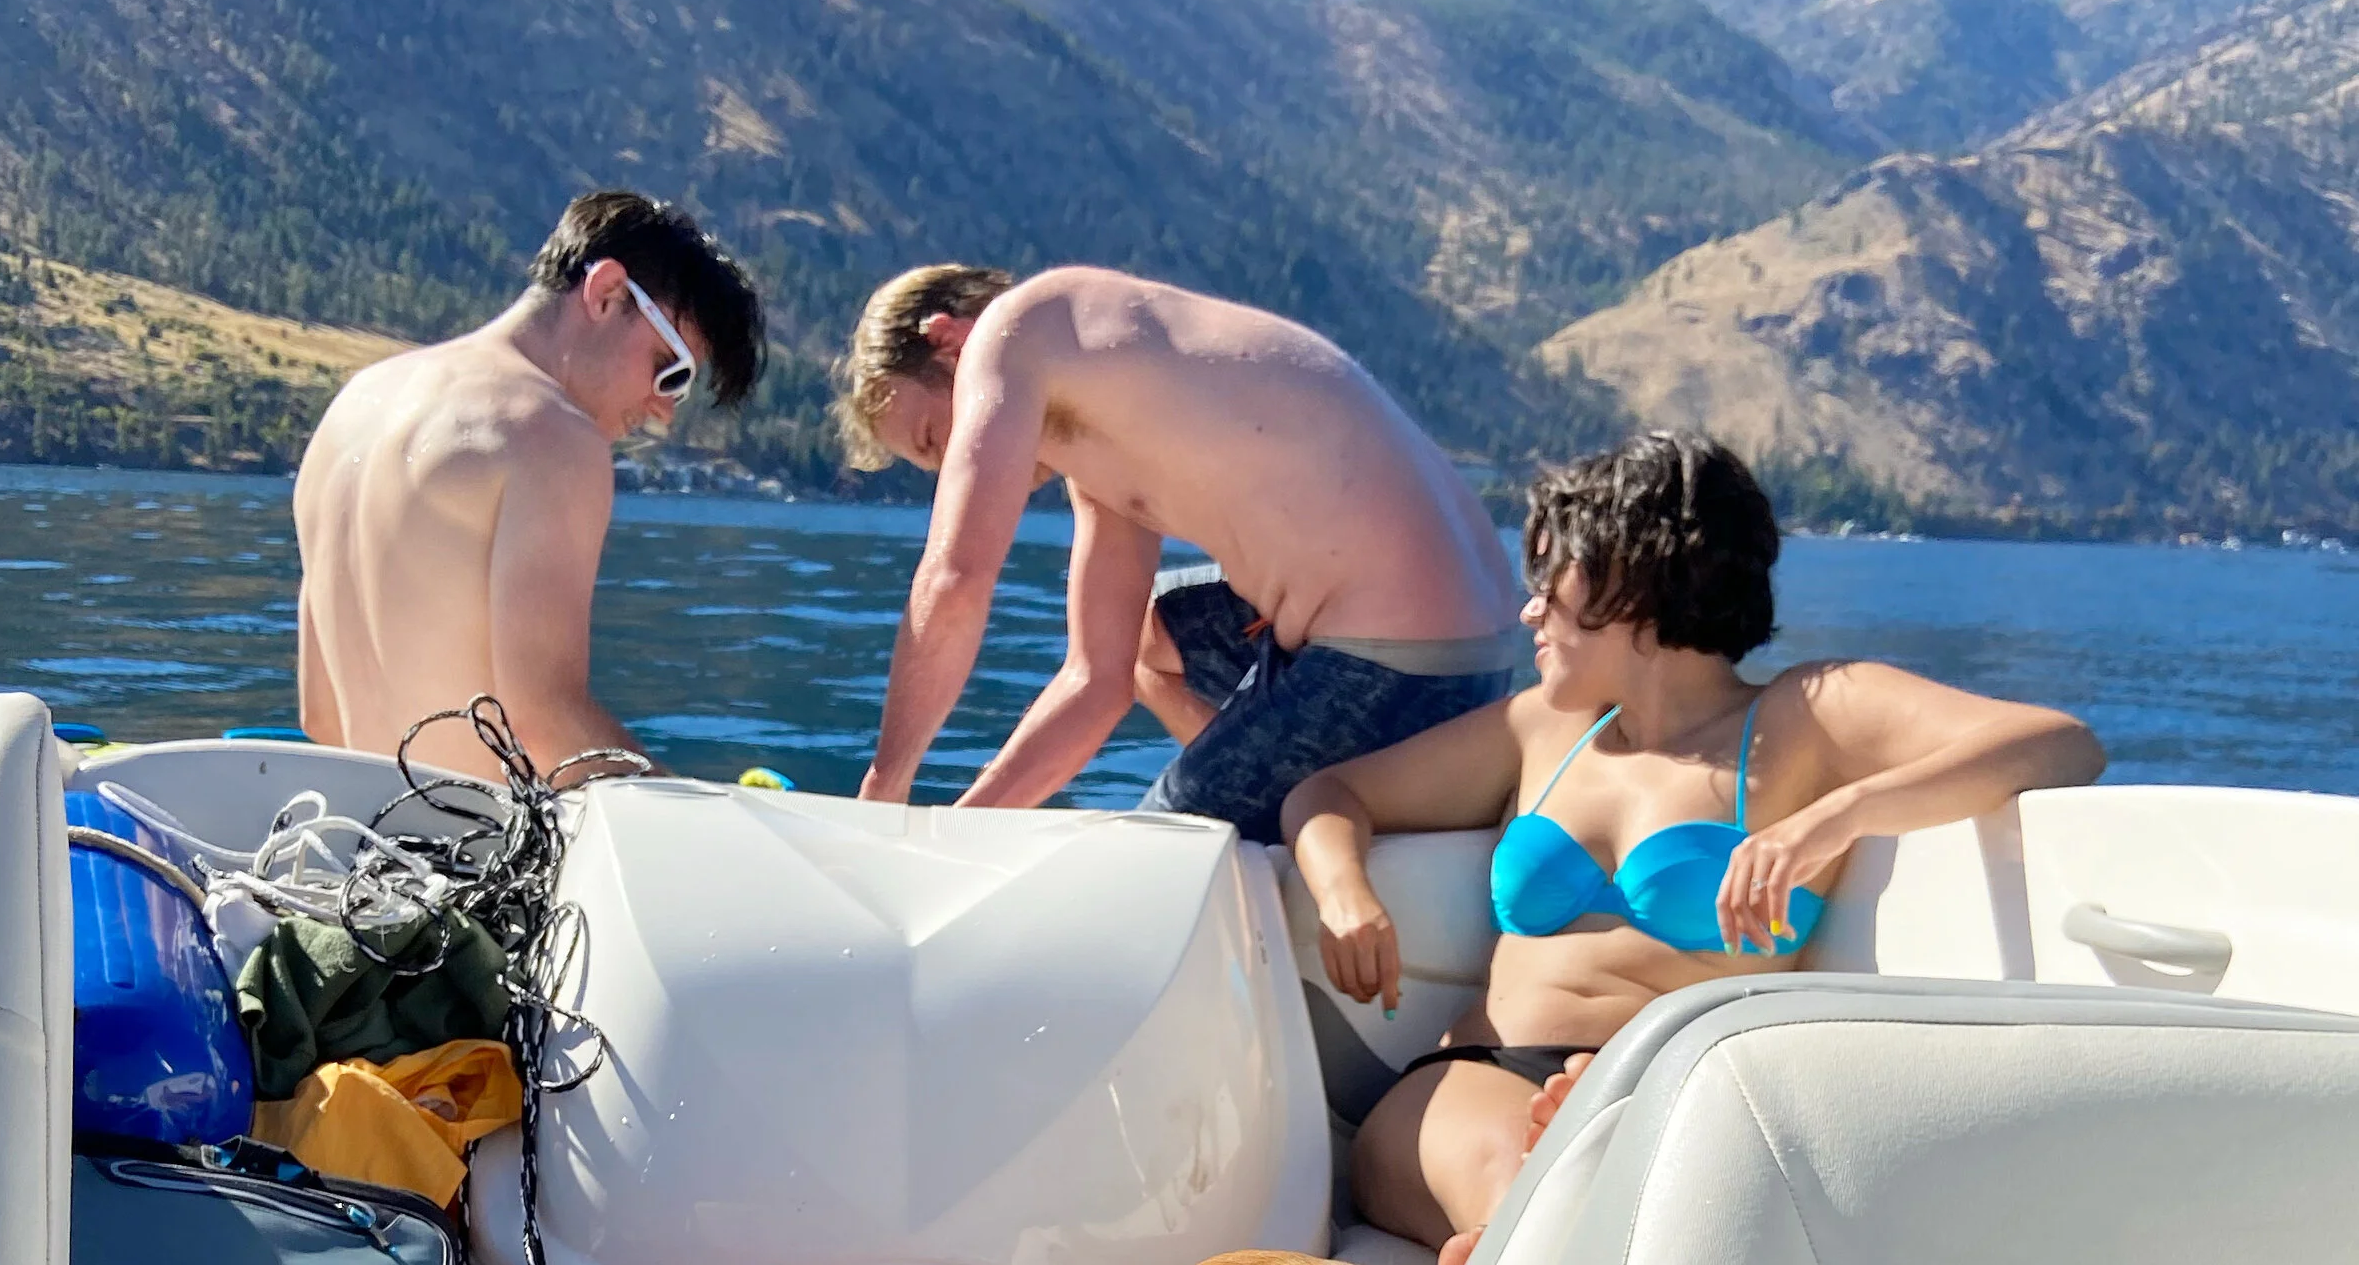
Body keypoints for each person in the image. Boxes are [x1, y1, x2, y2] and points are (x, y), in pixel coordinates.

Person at [1283, 432, 2107, 1265]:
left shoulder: (1805, 720)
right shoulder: (1545, 729)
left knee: (1582, 1186)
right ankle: (1544, 1212)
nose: (1529, 613)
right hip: (1483, 1075)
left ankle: (1538, 1233)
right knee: (1518, 1178)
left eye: (1548, 585)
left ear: (1629, 583)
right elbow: (1331, 794)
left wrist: (1832, 817)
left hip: (1678, 1083)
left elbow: (2057, 744)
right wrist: (1346, 895)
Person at [839, 264, 1520, 837]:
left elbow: (956, 579)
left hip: (1400, 662)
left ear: (946, 340)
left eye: (935, 438)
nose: (955, 462)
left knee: (1154, 853)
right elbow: (1094, 682)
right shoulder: (1097, 404)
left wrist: (885, 790)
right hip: (1478, 649)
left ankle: (1248, 807)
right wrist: (960, 832)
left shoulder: (1020, 328)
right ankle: (1265, 793)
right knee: (1150, 635)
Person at [293, 190, 765, 785]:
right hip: (475, 859)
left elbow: (320, 713)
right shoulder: (550, 434)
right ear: (606, 293)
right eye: (669, 372)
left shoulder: (354, 403)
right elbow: (546, 722)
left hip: (357, 840)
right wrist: (696, 812)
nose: (664, 411)